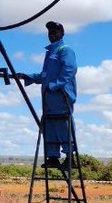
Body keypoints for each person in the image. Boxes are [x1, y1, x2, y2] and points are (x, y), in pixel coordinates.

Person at [17, 21, 78, 168]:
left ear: (62, 33)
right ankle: (53, 157)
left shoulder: (65, 50)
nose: (52, 34)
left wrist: (55, 85)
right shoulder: (50, 52)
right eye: (50, 32)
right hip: (48, 97)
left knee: (63, 125)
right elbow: (44, 75)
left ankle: (70, 158)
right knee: (49, 125)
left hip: (61, 95)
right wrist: (27, 76)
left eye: (55, 31)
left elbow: (70, 69)